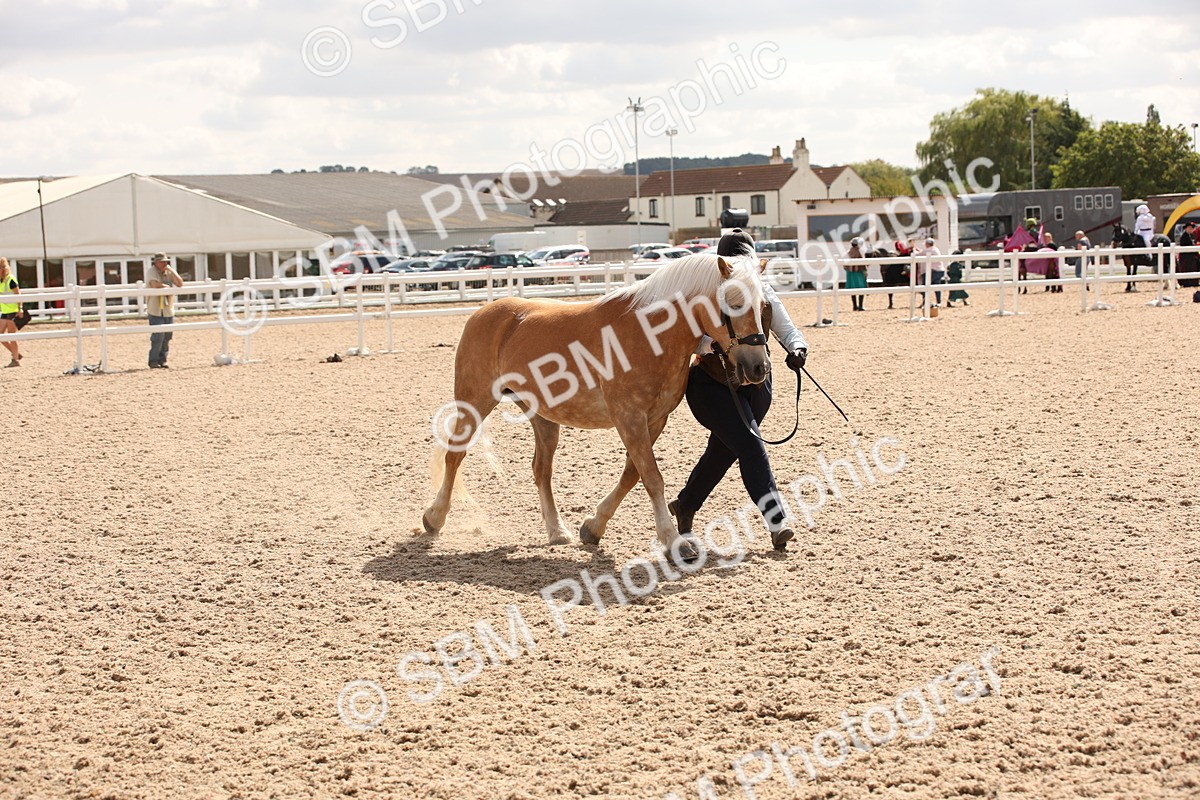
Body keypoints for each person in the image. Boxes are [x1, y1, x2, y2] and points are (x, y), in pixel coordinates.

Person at [669, 229, 810, 552]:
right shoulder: (703, 297)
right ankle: (776, 521)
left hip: (758, 385)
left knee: (724, 451)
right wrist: (713, 344)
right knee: (749, 445)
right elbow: (687, 339)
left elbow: (786, 328)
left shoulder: (763, 291)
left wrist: (798, 349)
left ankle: (686, 504)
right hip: (712, 387)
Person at [146, 252, 183, 369]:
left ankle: (162, 360)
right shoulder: (151, 272)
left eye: (166, 262)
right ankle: (153, 360)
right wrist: (166, 287)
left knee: (167, 336)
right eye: (162, 262)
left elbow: (180, 283)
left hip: (167, 309)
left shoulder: (168, 272)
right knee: (158, 336)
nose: (164, 264)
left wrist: (171, 270)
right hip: (156, 309)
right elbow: (154, 284)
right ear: (156, 263)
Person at [0, 258, 23, 367]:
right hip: (5, 311)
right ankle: (16, 354)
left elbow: (18, 295)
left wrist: (20, 308)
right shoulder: (1, 280)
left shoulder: (11, 279)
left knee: (11, 336)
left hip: (13, 311)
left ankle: (15, 360)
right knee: (1, 336)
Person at [917, 237, 944, 307]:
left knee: (925, 286)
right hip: (939, 270)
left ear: (927, 244)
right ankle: (938, 302)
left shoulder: (927, 250)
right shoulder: (935, 249)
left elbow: (918, 255)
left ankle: (925, 302)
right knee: (936, 286)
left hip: (931, 271)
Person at [845, 237, 868, 311]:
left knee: (852, 289)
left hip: (850, 273)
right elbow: (863, 263)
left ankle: (854, 306)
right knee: (861, 287)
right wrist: (865, 271)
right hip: (859, 272)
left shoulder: (849, 252)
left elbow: (845, 264)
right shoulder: (859, 252)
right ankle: (860, 306)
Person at [1177, 221, 1199, 288]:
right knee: (1187, 268)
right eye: (1189, 228)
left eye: (1191, 228)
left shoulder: (1191, 236)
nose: (1191, 229)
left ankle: (1193, 282)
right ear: (1186, 228)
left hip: (1191, 257)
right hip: (1186, 257)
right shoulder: (1184, 236)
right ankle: (1187, 283)